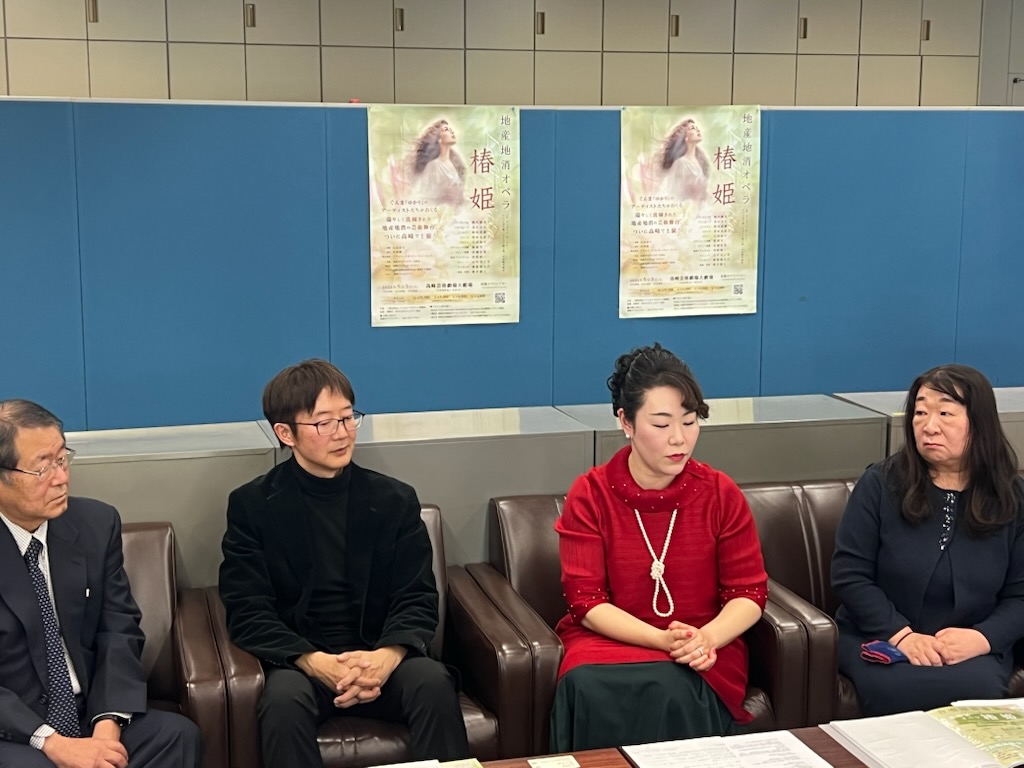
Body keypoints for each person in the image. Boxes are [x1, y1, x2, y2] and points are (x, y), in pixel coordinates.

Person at [218, 359, 469, 768]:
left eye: (349, 417)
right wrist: (314, 662)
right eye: (324, 423)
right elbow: (248, 609)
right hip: (303, 665)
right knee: (282, 702)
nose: (342, 433)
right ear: (285, 433)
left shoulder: (394, 500)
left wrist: (386, 656)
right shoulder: (252, 506)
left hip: (381, 657)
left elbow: (418, 595)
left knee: (432, 683)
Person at [550, 343, 768, 751]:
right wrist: (661, 640)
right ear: (626, 421)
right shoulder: (591, 493)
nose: (679, 438)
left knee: (676, 683)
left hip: (703, 643)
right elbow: (587, 603)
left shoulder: (720, 493)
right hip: (609, 640)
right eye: (662, 424)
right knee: (586, 682)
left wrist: (705, 639)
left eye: (690, 421)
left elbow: (749, 593)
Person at [0, 400, 201, 768]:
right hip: (15, 730)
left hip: (88, 714)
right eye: (42, 468)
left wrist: (107, 727)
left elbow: (118, 629)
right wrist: (51, 742)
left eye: (62, 459)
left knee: (176, 737)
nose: (61, 478)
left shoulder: (95, 524)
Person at [832, 364, 1024, 716]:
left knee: (978, 692)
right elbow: (850, 575)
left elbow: (1020, 595)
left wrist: (982, 638)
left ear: (980, 422)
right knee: (895, 689)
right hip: (881, 637)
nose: (929, 426)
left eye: (945, 413)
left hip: (970, 646)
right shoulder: (880, 484)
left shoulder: (1012, 497)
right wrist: (902, 636)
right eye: (920, 412)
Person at [408, 119, 466, 207]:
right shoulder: (433, 166)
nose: (452, 132)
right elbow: (424, 196)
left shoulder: (455, 164)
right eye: (446, 130)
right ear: (439, 139)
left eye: (451, 129)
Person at [659, 118, 710, 204]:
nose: (698, 130)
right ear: (685, 137)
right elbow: (673, 193)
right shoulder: (681, 163)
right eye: (692, 128)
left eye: (697, 128)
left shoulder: (700, 162)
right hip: (687, 209)